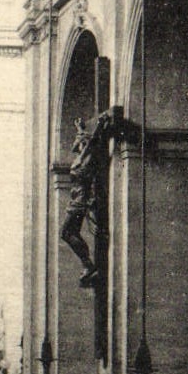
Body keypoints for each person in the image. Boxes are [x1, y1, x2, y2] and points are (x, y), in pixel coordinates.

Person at [60, 109, 115, 288]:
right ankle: (87, 264)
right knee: (68, 233)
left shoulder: (87, 158)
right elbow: (87, 141)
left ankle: (87, 264)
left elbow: (92, 141)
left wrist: (100, 125)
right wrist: (80, 129)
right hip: (75, 200)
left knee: (66, 233)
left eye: (79, 145)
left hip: (80, 202)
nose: (77, 148)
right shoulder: (82, 158)